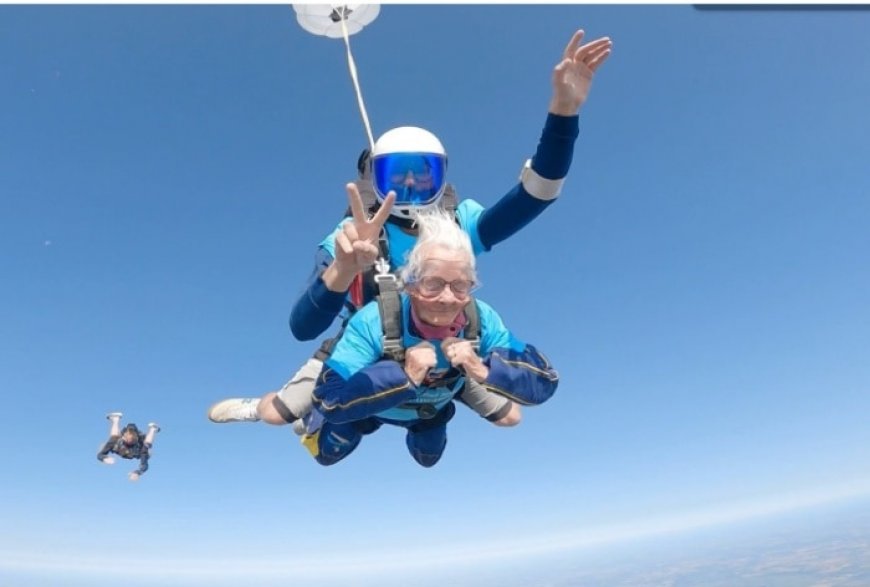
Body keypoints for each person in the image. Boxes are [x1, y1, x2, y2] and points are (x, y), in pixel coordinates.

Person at [207, 28, 611, 429]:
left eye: (424, 174)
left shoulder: (458, 223)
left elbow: (537, 194)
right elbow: (302, 328)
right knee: (279, 414)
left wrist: (564, 113)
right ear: (375, 180)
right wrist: (343, 269)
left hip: (446, 347)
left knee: (508, 418)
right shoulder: (353, 236)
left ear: (442, 177)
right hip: (370, 345)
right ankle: (264, 407)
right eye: (397, 175)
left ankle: (428, 413)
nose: (412, 186)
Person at [306, 208, 558, 467]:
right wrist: (402, 375)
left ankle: (425, 425)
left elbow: (544, 380)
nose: (447, 298)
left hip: (429, 413)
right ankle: (308, 421)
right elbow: (328, 396)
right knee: (326, 455)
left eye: (461, 286)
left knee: (428, 458)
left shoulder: (481, 320)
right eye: (432, 284)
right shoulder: (376, 319)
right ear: (410, 285)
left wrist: (480, 368)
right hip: (372, 408)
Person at [97, 412, 161, 482]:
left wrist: (137, 473)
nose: (130, 443)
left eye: (132, 441)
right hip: (120, 448)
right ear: (124, 437)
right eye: (128, 441)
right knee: (114, 437)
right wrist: (105, 459)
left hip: (137, 449)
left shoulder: (142, 449)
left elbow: (144, 466)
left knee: (146, 445)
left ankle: (153, 430)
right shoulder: (116, 442)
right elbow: (100, 455)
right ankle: (115, 419)